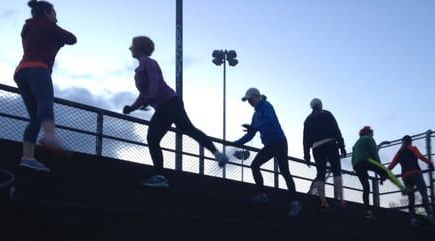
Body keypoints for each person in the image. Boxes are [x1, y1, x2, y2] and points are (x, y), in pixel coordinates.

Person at [123, 36, 228, 188]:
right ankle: (160, 177)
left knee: (185, 129)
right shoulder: (140, 67)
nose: (130, 48)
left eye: (132, 45)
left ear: (139, 47)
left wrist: (149, 97)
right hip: (162, 107)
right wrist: (132, 108)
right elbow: (144, 94)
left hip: (171, 103)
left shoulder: (148, 62)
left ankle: (218, 155)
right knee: (153, 138)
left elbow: (155, 83)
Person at [14, 0, 77, 172]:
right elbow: (72, 39)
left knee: (34, 119)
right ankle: (49, 135)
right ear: (47, 13)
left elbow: (42, 42)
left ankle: (27, 157)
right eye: (54, 15)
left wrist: (55, 39)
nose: (56, 19)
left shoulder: (28, 28)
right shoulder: (44, 23)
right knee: (45, 100)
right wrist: (56, 33)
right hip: (38, 68)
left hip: (22, 72)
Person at [233, 88, 302, 217]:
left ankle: (295, 202)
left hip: (280, 142)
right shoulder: (255, 115)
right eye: (248, 100)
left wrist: (254, 127)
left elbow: (269, 121)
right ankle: (262, 195)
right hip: (269, 145)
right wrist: (237, 143)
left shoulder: (267, 106)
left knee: (284, 171)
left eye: (250, 99)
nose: (249, 102)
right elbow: (250, 134)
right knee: (254, 165)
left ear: (257, 96)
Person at [351, 126, 407, 217]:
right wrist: (381, 169)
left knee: (366, 187)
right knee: (386, 171)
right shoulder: (369, 138)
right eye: (372, 134)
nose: (373, 136)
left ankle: (367, 210)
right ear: (369, 133)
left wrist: (355, 166)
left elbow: (354, 157)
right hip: (365, 160)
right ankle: (403, 188)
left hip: (356, 165)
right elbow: (375, 154)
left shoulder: (356, 143)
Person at [303, 98, 347, 210]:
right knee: (337, 171)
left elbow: (306, 139)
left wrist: (306, 155)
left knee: (320, 173)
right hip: (330, 142)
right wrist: (342, 146)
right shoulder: (327, 114)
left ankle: (323, 202)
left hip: (316, 146)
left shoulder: (308, 120)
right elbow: (336, 129)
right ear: (321, 105)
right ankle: (341, 200)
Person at [388, 135, 435, 223]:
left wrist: (383, 175)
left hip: (405, 176)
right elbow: (420, 156)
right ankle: (429, 215)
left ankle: (413, 218)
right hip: (416, 173)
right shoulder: (413, 148)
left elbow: (391, 165)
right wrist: (430, 163)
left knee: (411, 198)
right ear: (410, 141)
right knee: (423, 193)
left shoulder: (399, 152)